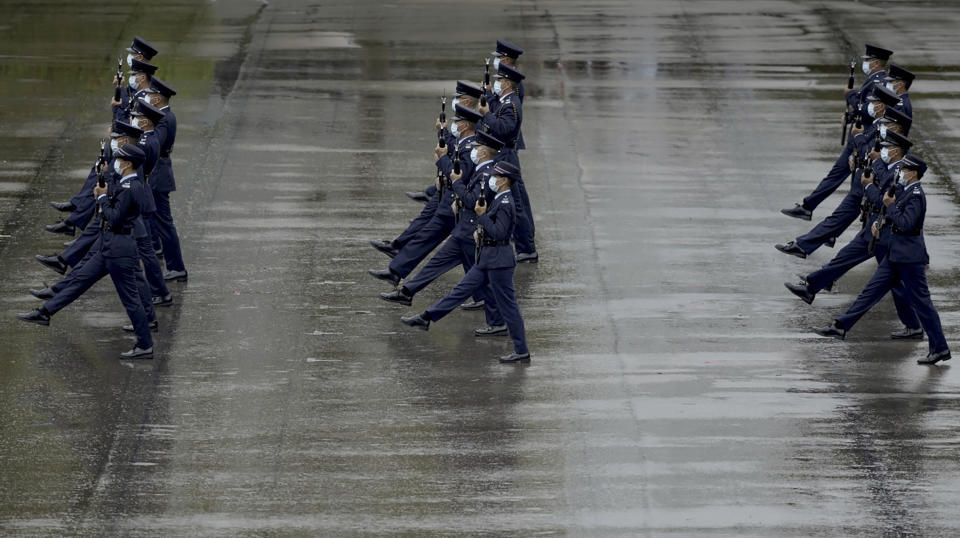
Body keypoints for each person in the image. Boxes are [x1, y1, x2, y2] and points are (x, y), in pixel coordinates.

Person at [18, 144, 156, 359]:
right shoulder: (125, 183)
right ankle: (44, 313)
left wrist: (101, 198)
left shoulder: (133, 187)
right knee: (79, 279)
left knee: (130, 299)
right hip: (108, 244)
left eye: (118, 160)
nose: (115, 164)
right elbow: (113, 196)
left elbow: (115, 217)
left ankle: (145, 345)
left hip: (119, 249)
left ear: (128, 164)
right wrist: (103, 180)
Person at [812, 156, 950, 365]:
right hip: (895, 255)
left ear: (913, 173)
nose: (900, 173)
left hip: (910, 259)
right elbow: (893, 216)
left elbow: (905, 223)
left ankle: (940, 348)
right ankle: (840, 327)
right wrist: (880, 224)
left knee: (923, 304)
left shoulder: (916, 195)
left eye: (903, 170)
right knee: (870, 291)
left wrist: (891, 207)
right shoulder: (905, 191)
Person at [401, 161, 530, 363]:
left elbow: (500, 232)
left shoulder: (506, 203)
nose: (493, 179)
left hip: (499, 261)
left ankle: (521, 350)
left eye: (496, 176)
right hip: (488, 257)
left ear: (504, 181)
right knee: (460, 290)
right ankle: (427, 317)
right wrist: (480, 231)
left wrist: (482, 217)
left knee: (508, 307)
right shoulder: (499, 197)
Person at [776, 86, 905, 258]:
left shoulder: (886, 129)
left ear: (881, 107)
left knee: (850, 227)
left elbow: (874, 153)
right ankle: (805, 245)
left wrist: (858, 137)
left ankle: (806, 246)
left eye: (874, 103)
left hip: (870, 183)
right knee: (841, 219)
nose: (870, 106)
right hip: (864, 179)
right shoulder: (878, 124)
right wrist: (854, 156)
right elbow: (867, 151)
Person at [781, 44, 892, 221]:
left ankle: (817, 214)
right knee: (842, 180)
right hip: (858, 138)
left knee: (853, 188)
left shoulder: (879, 82)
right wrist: (850, 116)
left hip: (863, 140)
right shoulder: (874, 80)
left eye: (869, 60)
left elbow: (869, 109)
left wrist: (850, 95)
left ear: (877, 62)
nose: (866, 63)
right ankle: (811, 208)